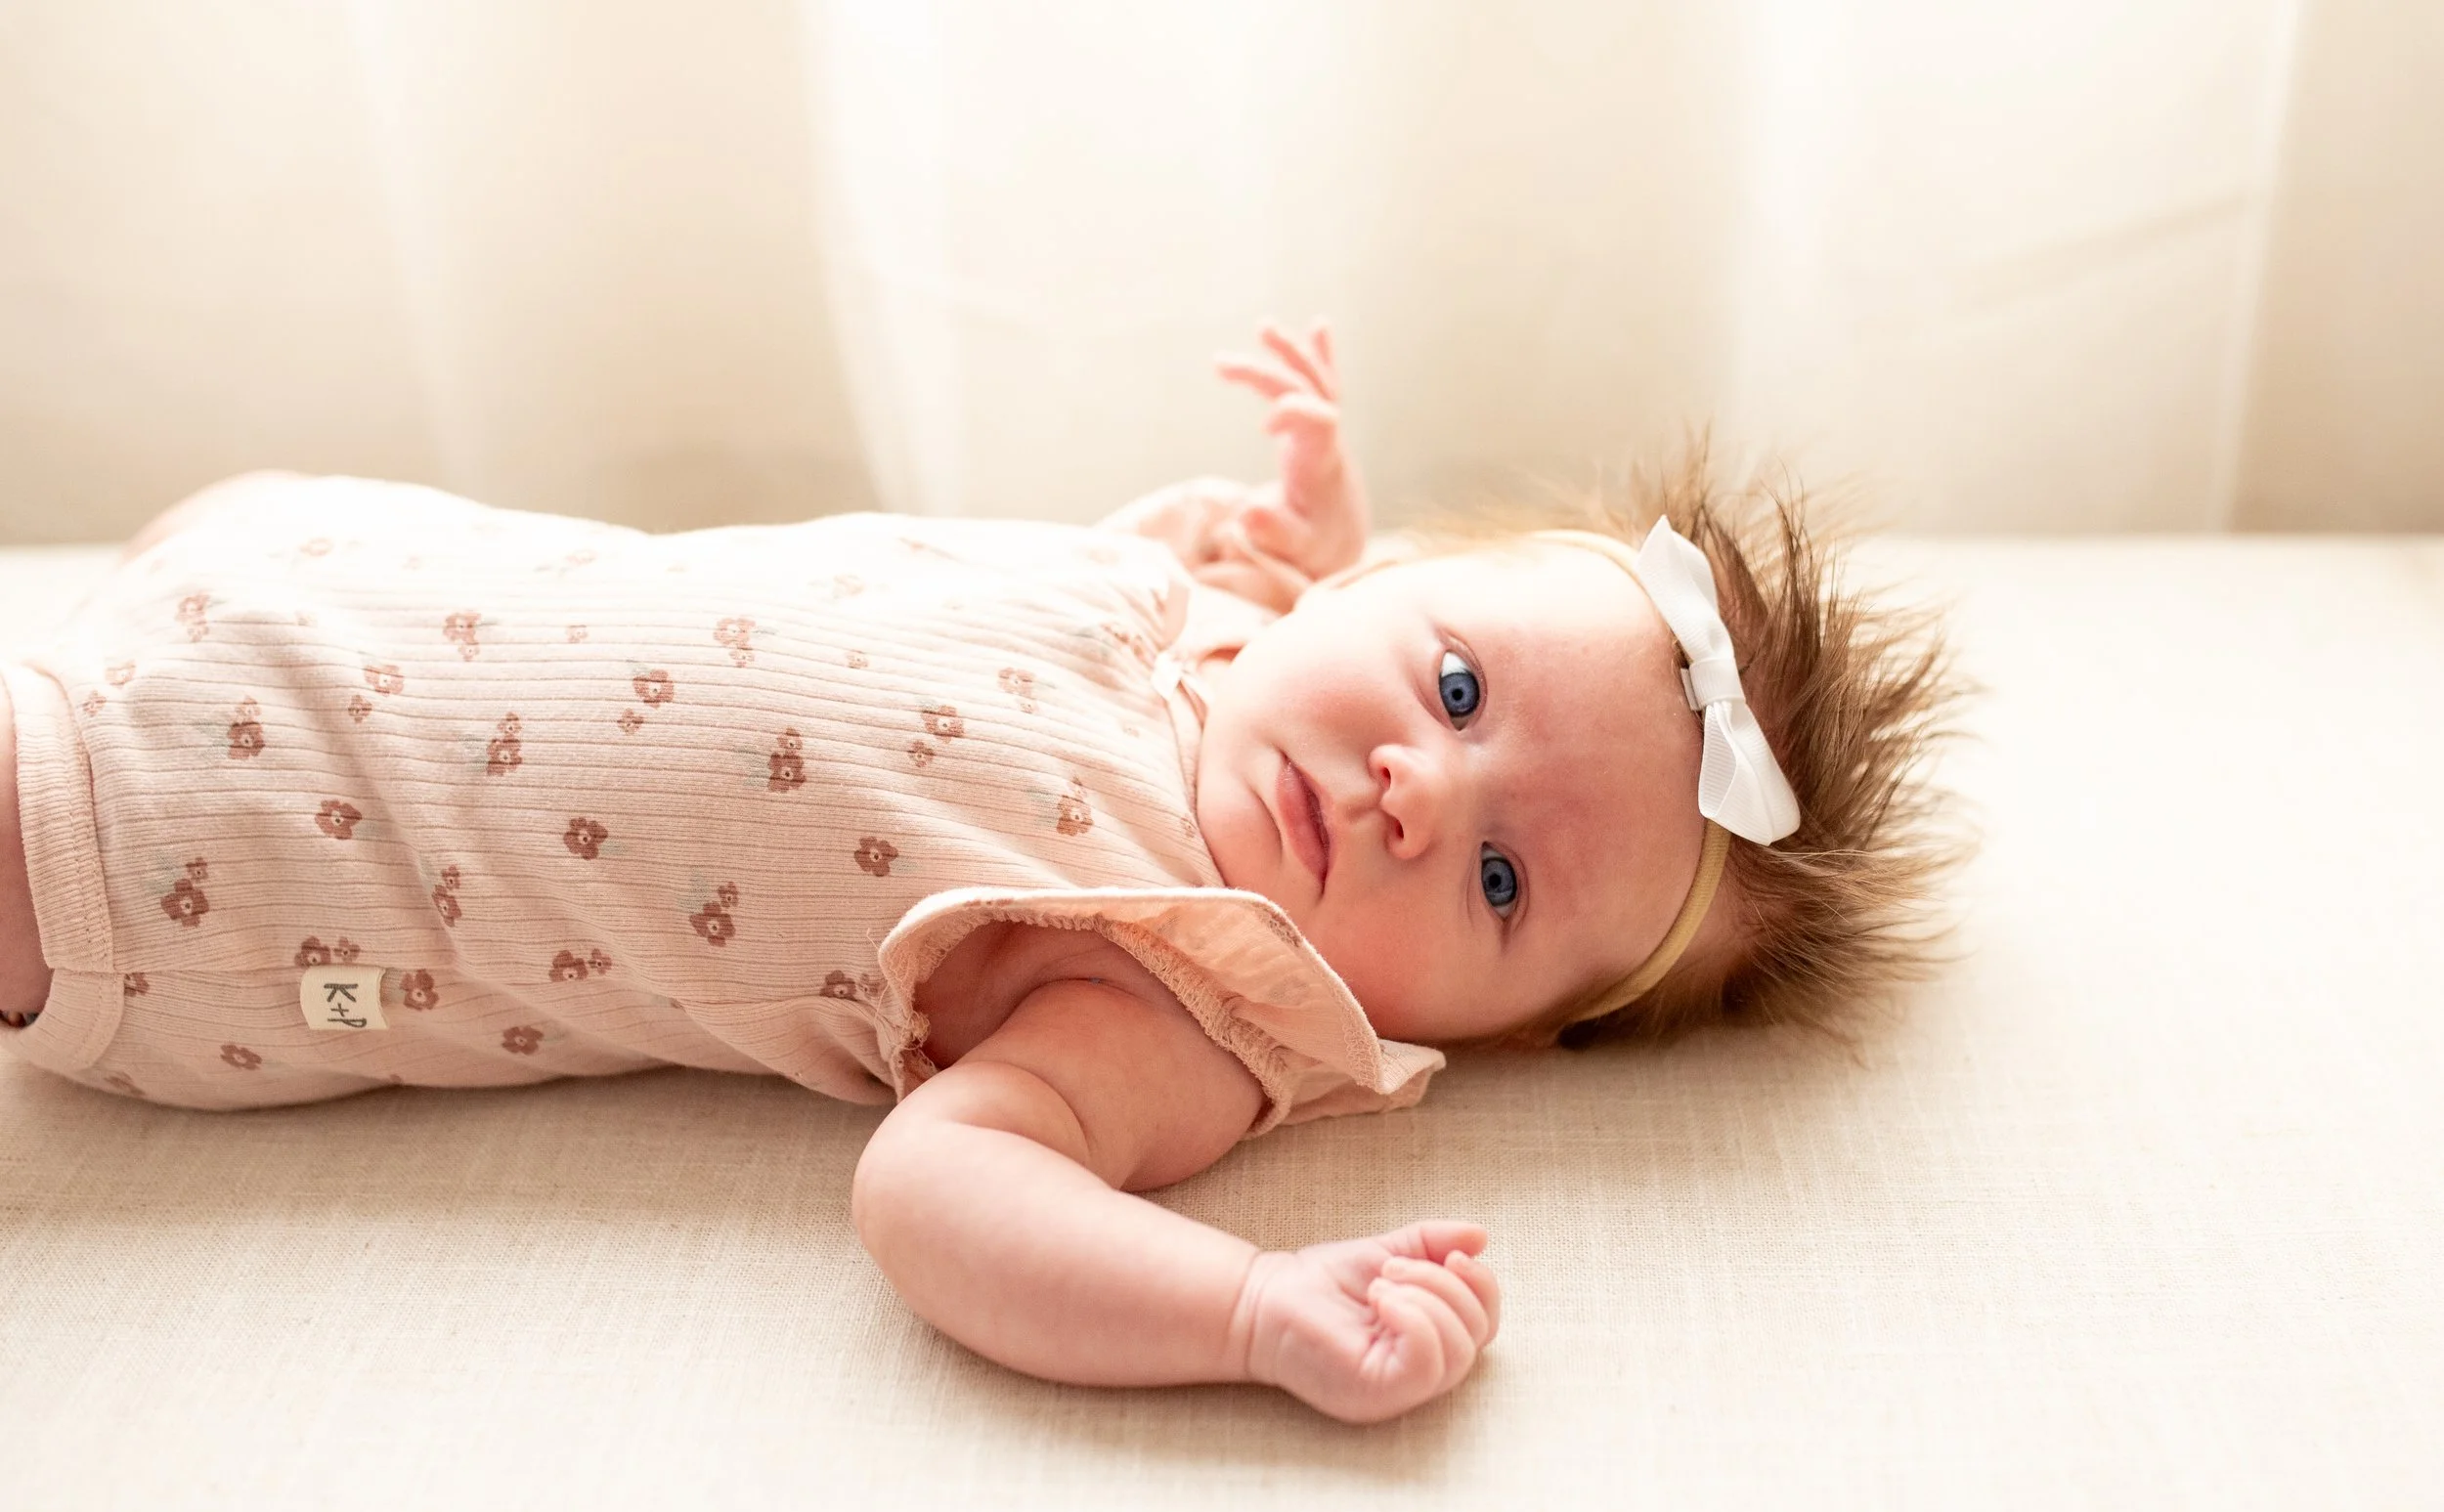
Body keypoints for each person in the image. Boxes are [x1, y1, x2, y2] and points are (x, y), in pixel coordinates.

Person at [0, 322, 1966, 1422]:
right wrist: (1315, 530)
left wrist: (1249, 1305)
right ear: (1385, 584)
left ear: (1493, 1036)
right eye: (1452, 682)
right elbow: (1311, 616)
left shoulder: (1177, 989)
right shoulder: (1215, 626)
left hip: (231, 855)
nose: (1406, 791)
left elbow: (936, 1191)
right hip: (314, 577)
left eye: (1503, 888)